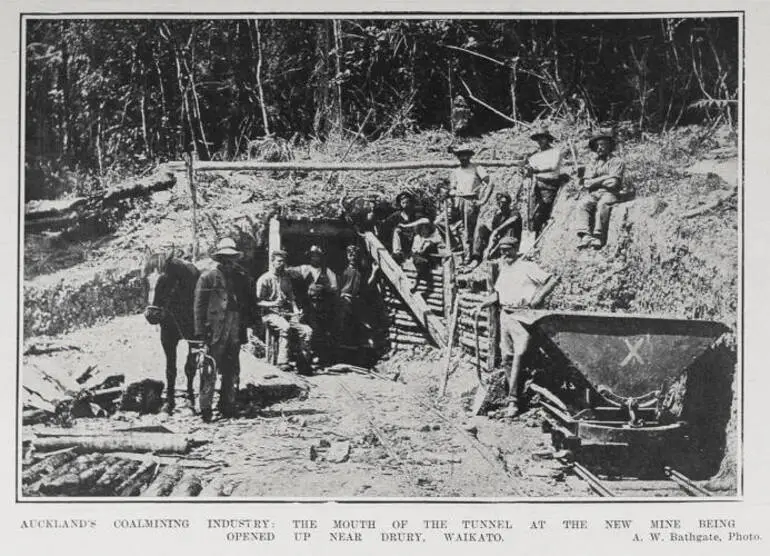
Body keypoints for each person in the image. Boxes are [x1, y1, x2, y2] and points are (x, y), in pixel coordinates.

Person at [476, 236, 557, 418]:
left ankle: (514, 400)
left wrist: (537, 299)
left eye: (508, 250)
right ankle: (512, 397)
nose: (505, 254)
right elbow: (498, 295)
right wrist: (483, 303)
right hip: (505, 314)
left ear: (516, 249)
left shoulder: (527, 266)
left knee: (520, 355)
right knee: (506, 357)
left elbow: (551, 280)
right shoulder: (504, 269)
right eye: (502, 250)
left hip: (523, 315)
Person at [193, 238, 246, 421]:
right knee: (209, 366)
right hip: (214, 327)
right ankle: (205, 408)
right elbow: (199, 307)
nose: (229, 262)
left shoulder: (240, 277)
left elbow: (245, 302)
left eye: (231, 258)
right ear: (219, 259)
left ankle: (227, 405)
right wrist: (200, 333)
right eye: (225, 258)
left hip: (234, 323)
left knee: (231, 365)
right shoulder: (207, 277)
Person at [256, 250, 313, 374]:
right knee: (285, 328)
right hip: (269, 313)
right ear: (272, 262)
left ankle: (303, 363)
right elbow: (257, 302)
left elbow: (291, 298)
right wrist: (273, 304)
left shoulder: (285, 279)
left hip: (286, 313)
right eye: (279, 261)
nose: (282, 264)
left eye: (283, 261)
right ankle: (283, 362)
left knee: (307, 331)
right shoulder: (264, 279)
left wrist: (296, 311)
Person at [289, 245, 339, 367]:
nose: (315, 258)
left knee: (321, 332)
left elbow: (335, 288)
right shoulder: (304, 268)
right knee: (307, 330)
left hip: (322, 306)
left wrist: (324, 289)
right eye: (312, 256)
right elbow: (289, 272)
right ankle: (305, 357)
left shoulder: (327, 271)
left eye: (317, 256)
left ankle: (320, 358)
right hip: (307, 306)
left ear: (321, 258)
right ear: (309, 257)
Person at [576, 128, 626, 249]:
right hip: (594, 193)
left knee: (603, 205)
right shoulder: (593, 163)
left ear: (609, 146)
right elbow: (587, 183)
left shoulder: (617, 161)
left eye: (602, 145)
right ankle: (585, 235)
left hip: (610, 193)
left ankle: (598, 236)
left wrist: (596, 181)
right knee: (583, 204)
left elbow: (613, 183)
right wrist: (605, 177)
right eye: (597, 145)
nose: (599, 148)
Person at [449, 144, 493, 263]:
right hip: (457, 201)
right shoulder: (456, 171)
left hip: (470, 200)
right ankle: (459, 249)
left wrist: (483, 200)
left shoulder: (476, 168)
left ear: (469, 155)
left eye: (465, 155)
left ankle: (471, 256)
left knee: (469, 230)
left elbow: (490, 183)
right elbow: (452, 188)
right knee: (449, 226)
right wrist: (453, 193)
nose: (462, 157)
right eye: (460, 155)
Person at [523, 125, 567, 236]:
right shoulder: (534, 156)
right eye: (538, 138)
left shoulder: (555, 152)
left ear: (548, 139)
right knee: (531, 214)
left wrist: (536, 170)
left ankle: (541, 234)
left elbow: (553, 167)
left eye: (543, 138)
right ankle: (533, 235)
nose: (540, 141)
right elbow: (529, 171)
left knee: (543, 210)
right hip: (536, 186)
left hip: (550, 185)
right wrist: (526, 170)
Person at [338, 245, 380, 349]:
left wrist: (374, 272)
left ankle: (363, 346)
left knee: (362, 322)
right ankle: (342, 345)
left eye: (355, 255)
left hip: (357, 300)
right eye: (350, 255)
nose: (352, 257)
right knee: (344, 322)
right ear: (347, 256)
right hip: (345, 299)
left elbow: (366, 285)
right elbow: (338, 286)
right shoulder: (343, 270)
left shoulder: (360, 272)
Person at [470, 191, 522, 267]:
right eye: (500, 202)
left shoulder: (514, 212)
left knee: (511, 227)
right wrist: (489, 247)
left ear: (508, 203)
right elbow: (493, 233)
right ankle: (476, 257)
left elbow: (513, 219)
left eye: (504, 202)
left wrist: (498, 229)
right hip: (498, 242)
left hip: (511, 242)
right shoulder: (498, 216)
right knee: (481, 228)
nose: (502, 205)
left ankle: (506, 253)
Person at [398, 217, 445, 291]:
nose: (424, 230)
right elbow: (414, 249)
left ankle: (416, 283)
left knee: (423, 263)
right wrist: (419, 248)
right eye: (422, 228)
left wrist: (428, 244)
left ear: (429, 228)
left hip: (429, 259)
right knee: (419, 261)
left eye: (426, 228)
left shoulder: (433, 236)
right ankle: (420, 283)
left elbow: (438, 241)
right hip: (418, 258)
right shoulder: (417, 237)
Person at [381, 191, 421, 262]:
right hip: (401, 241)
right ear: (400, 204)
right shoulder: (396, 216)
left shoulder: (415, 215)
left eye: (407, 202)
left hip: (412, 240)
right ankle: (397, 253)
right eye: (403, 203)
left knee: (418, 234)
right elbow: (385, 226)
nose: (406, 205)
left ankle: (415, 254)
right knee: (396, 230)